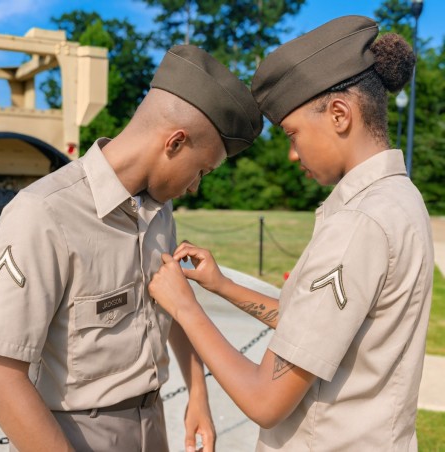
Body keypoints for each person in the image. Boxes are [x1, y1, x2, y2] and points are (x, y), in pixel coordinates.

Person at [149, 15, 433, 451]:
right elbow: (316, 329)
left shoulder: (359, 224)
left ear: (339, 114)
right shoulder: (399, 198)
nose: (292, 153)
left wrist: (187, 309)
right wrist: (222, 286)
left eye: (293, 133)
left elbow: (265, 400)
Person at [0, 44, 263, 452]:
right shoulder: (42, 214)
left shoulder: (159, 211)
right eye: (201, 170)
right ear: (175, 142)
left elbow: (171, 303)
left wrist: (197, 393)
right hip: (73, 434)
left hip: (152, 421)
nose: (196, 185)